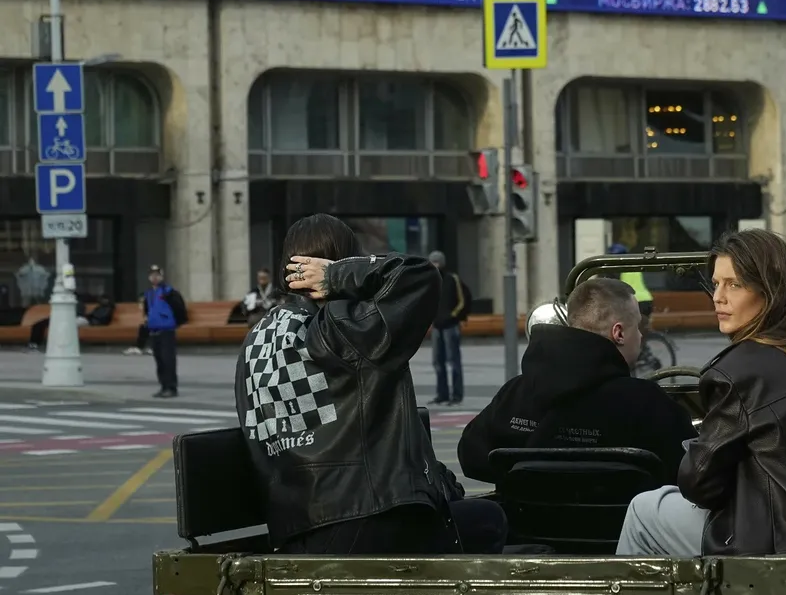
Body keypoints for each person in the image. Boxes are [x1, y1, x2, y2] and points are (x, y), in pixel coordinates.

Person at [234, 213, 506, 555]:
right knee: (491, 519)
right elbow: (420, 276)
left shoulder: (257, 339)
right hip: (368, 521)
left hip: (293, 529)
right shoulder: (344, 327)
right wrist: (339, 275)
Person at [616, 228, 786, 557]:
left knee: (644, 510)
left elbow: (699, 486)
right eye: (715, 284)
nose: (718, 297)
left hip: (775, 545)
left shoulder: (738, 371)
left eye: (734, 284)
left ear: (770, 291)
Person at [456, 278, 697, 485]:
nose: (642, 335)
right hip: (617, 525)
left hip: (527, 522)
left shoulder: (515, 393)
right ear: (619, 333)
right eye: (638, 326)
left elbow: (470, 455)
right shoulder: (648, 402)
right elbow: (692, 471)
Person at [428, 250, 468, 406]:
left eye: (437, 262)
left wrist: (453, 315)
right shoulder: (430, 282)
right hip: (437, 327)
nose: (435, 265)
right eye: (432, 262)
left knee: (453, 361)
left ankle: (457, 395)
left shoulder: (452, 279)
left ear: (442, 263)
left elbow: (463, 300)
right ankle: (442, 394)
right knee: (438, 362)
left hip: (451, 326)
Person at [142, 265, 187, 399]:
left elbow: (180, 309)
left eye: (157, 275)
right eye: (152, 275)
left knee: (168, 359)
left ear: (162, 277)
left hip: (167, 331)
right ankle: (163, 386)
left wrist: (173, 323)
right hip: (154, 330)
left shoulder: (169, 292)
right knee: (159, 360)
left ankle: (171, 387)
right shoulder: (149, 294)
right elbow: (147, 310)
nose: (155, 278)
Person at [27, 296, 114, 349]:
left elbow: (99, 317)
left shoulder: (106, 308)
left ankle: (63, 343)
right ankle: (34, 343)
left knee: (68, 325)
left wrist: (89, 317)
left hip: (82, 320)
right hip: (66, 318)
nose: (101, 300)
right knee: (40, 324)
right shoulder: (99, 307)